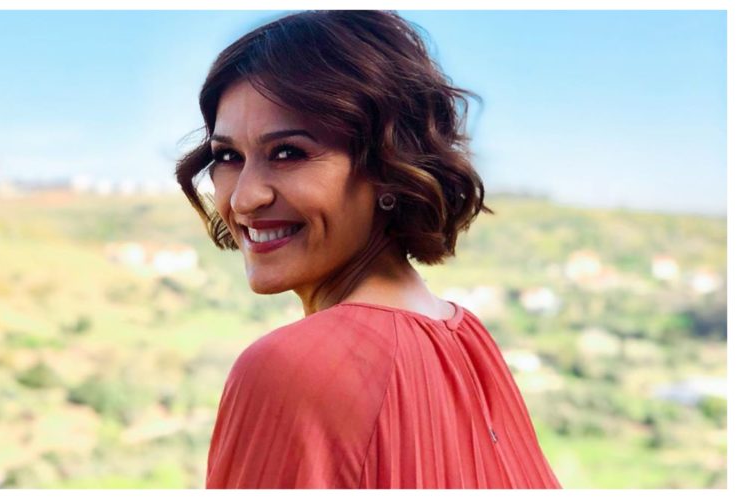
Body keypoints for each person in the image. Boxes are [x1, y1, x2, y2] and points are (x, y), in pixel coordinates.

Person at [175, 10, 562, 489]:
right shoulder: (467, 338)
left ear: (388, 165)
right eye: (228, 156)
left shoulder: (292, 368)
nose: (243, 198)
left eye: (289, 152)